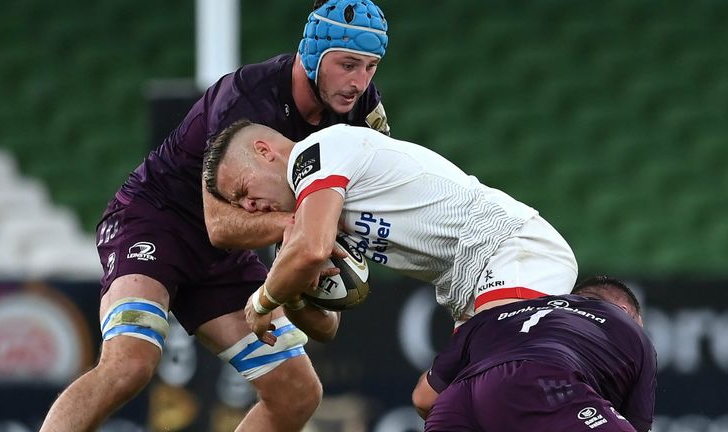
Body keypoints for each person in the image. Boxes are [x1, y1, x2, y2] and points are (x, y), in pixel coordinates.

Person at [39, 1, 391, 431]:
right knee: (130, 363)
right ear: (313, 53)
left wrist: (309, 282)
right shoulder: (248, 97)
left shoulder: (360, 112)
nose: (358, 82)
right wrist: (298, 231)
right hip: (156, 221)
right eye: (348, 65)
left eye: (370, 67)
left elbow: (356, 215)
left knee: (297, 392)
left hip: (226, 255)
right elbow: (220, 224)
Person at [201, 120, 579, 346]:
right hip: (466, 288)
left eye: (242, 191)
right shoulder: (305, 225)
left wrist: (263, 301)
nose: (248, 206)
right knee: (435, 403)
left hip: (507, 246)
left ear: (265, 151)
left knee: (499, 372)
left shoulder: (316, 152)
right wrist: (294, 294)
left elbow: (313, 249)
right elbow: (327, 329)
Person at [411, 275, 657, 432]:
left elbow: (424, 398)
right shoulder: (630, 329)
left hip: (459, 401)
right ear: (626, 310)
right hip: (545, 383)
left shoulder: (494, 316)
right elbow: (637, 425)